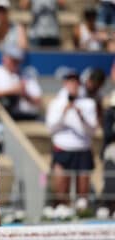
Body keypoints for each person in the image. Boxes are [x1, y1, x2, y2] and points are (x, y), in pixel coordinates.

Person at [45, 69, 98, 208]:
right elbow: (50, 128)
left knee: (82, 196)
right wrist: (64, 112)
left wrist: (81, 116)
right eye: (70, 81)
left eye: (75, 81)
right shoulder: (56, 103)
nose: (73, 84)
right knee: (61, 193)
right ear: (65, 83)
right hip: (62, 148)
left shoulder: (88, 103)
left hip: (82, 149)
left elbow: (92, 130)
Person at [0, 45, 42, 120]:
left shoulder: (27, 75)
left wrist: (24, 93)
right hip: (2, 117)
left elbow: (38, 101)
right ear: (4, 58)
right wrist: (12, 91)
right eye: (12, 60)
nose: (15, 63)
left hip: (28, 116)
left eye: (17, 60)